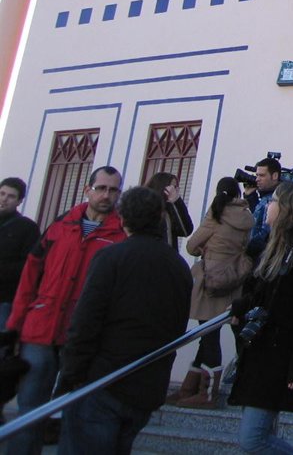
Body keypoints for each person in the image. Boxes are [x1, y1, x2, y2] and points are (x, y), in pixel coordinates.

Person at [57, 186, 192, 455]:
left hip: (104, 381)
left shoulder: (111, 258)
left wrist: (70, 375)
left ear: (123, 219)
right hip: (146, 385)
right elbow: (177, 326)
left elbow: (85, 321)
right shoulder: (178, 266)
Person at [6, 166, 126, 455]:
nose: (106, 195)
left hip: (82, 336)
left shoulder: (120, 236)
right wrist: (15, 325)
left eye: (113, 190)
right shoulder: (60, 226)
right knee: (29, 410)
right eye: (101, 188)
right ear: (88, 190)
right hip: (41, 328)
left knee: (74, 413)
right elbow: (30, 276)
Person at [228, 180, 293, 454]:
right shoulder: (275, 245)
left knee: (253, 439)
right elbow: (263, 293)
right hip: (263, 351)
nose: (268, 206)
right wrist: (239, 308)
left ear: (288, 207)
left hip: (280, 353)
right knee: (260, 433)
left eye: (274, 201)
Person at [172, 176, 253, 407]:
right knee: (209, 334)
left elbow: (191, 245)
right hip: (232, 281)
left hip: (211, 281)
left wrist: (206, 250)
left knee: (208, 335)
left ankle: (208, 394)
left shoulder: (216, 214)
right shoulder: (246, 217)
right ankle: (189, 388)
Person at [0, 178, 40, 329]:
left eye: (11, 196)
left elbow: (29, 264)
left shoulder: (27, 228)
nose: (4, 199)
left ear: (20, 201)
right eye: (2, 193)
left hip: (5, 299)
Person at [145, 172, 194, 251]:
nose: (176, 190)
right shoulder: (146, 209)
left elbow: (186, 230)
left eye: (176, 187)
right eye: (173, 187)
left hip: (168, 255)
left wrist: (177, 201)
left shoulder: (170, 208)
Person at [245, 157, 282, 261]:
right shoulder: (267, 197)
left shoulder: (277, 199)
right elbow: (259, 219)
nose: (257, 179)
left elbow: (265, 232)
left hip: (264, 258)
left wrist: (250, 248)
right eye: (257, 175)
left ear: (275, 176)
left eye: (262, 175)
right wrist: (251, 197)